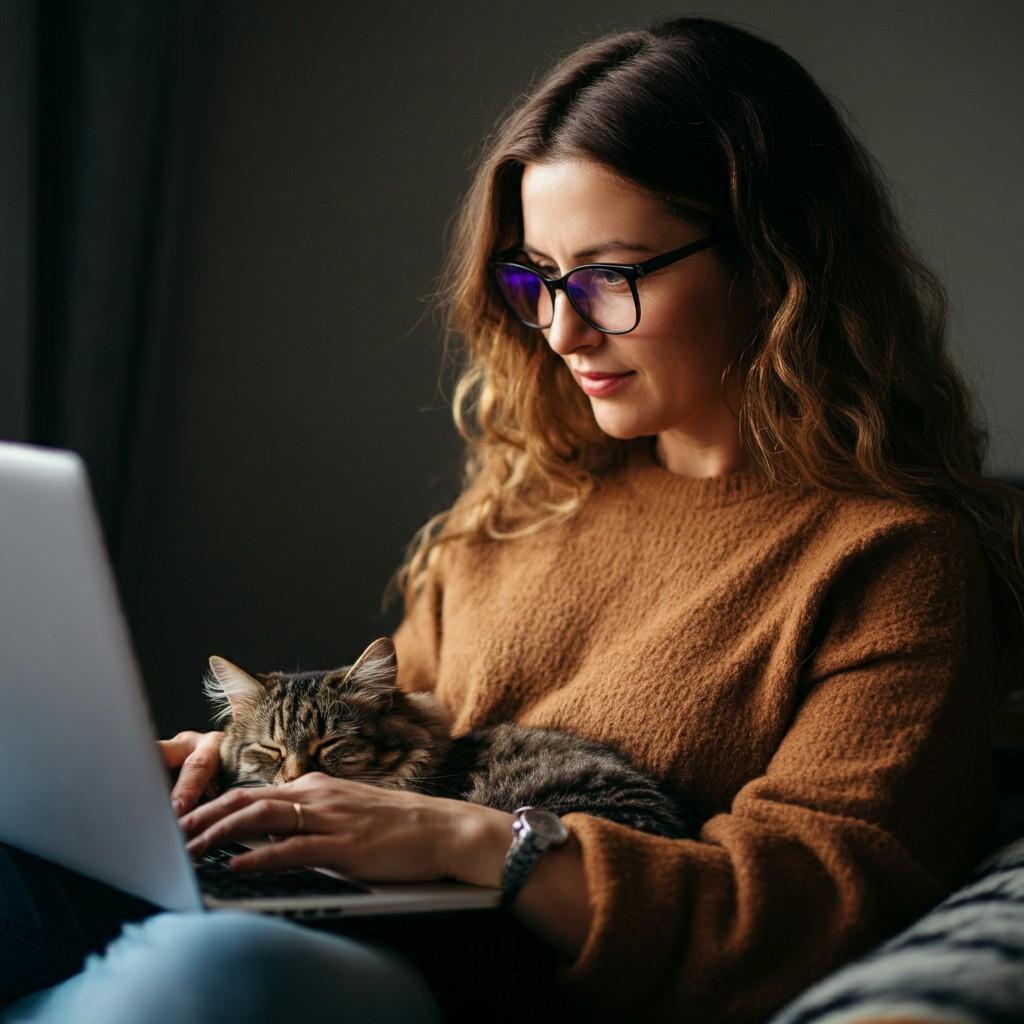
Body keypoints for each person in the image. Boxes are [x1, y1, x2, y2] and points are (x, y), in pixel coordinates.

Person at [3, 14, 1021, 1024]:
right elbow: (400, 738)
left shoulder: (891, 560)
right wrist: (222, 772)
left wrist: (474, 841)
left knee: (203, 980)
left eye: (611, 275)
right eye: (537, 278)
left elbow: (807, 905)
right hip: (360, 919)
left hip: (498, 977)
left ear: (770, 262)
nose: (563, 330)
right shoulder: (528, 502)